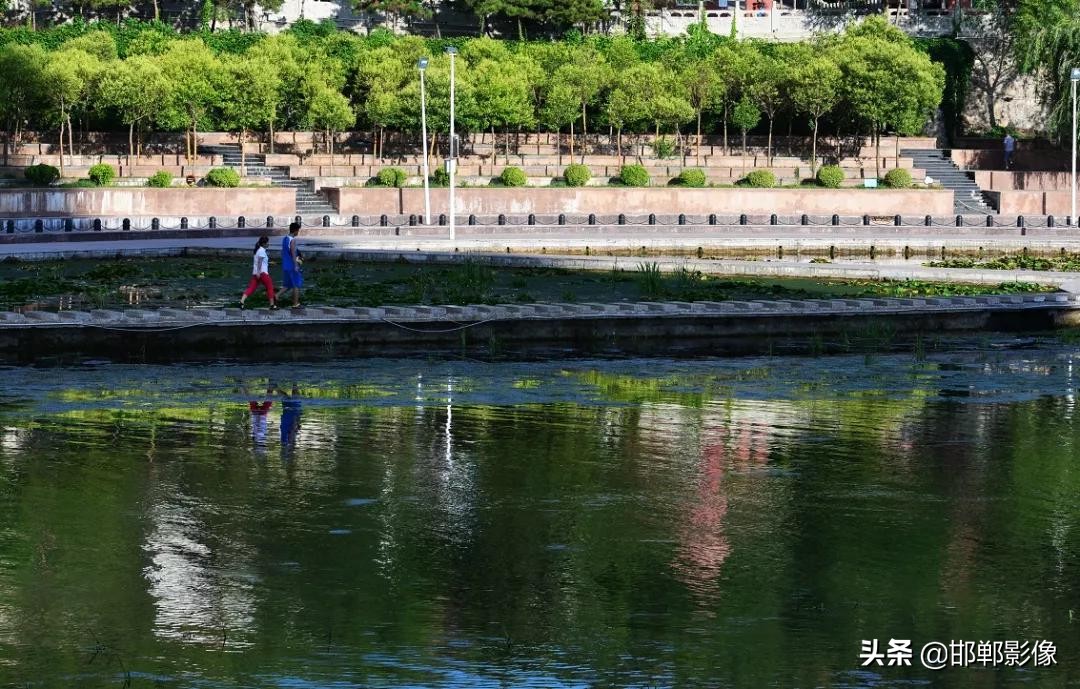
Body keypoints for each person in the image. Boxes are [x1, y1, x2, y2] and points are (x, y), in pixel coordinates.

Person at [241, 236, 277, 310]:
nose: (268, 244)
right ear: (264, 244)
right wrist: (258, 272)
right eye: (267, 242)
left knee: (251, 288)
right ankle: (272, 305)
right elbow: (260, 262)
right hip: (262, 273)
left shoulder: (258, 250)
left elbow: (261, 262)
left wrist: (269, 264)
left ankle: (241, 301)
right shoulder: (262, 251)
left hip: (256, 273)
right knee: (270, 287)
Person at [276, 222, 303, 309]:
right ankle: (295, 304)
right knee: (296, 285)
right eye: (298, 230)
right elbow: (293, 253)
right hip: (292, 265)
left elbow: (284, 252)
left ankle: (276, 296)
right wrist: (296, 265)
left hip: (285, 265)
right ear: (295, 230)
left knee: (287, 285)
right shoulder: (292, 240)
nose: (298, 232)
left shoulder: (285, 239)